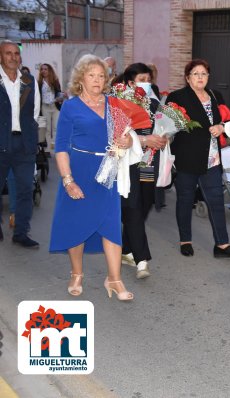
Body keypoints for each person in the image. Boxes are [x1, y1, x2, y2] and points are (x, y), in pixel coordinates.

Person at [49, 54, 134, 301]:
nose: (97, 80)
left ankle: (114, 279)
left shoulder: (114, 104)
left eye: (101, 76)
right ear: (81, 78)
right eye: (91, 75)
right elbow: (61, 147)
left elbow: (125, 138)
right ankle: (76, 274)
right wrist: (68, 180)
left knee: (111, 225)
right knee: (77, 224)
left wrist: (126, 141)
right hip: (80, 170)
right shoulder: (70, 106)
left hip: (108, 170)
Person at [166, 58, 230, 258]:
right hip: (187, 157)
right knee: (185, 199)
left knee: (216, 201)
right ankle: (185, 240)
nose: (200, 77)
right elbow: (166, 126)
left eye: (204, 74)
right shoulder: (177, 97)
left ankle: (222, 245)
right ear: (188, 78)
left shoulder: (216, 96)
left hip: (212, 159)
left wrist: (222, 127)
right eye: (196, 74)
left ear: (208, 77)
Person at [116, 63, 168, 279]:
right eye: (141, 80)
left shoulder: (155, 101)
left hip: (150, 162)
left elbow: (165, 127)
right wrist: (145, 139)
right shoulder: (119, 102)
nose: (146, 84)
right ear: (130, 82)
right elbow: (118, 134)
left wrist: (165, 137)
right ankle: (141, 260)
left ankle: (126, 249)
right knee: (133, 208)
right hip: (128, 163)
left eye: (149, 79)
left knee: (144, 205)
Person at [0, 40, 40, 248]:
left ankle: (21, 232)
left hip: (23, 144)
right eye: (8, 53)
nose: (13, 57)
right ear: (1, 56)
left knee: (25, 190)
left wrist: (31, 137)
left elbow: (34, 112)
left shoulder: (29, 81)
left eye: (16, 53)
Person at [37, 63, 64, 151]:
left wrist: (61, 97)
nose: (43, 71)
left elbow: (59, 93)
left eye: (45, 69)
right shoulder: (39, 82)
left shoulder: (55, 81)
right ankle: (48, 149)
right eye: (42, 69)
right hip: (45, 106)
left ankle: (54, 147)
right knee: (47, 128)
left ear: (49, 71)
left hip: (55, 106)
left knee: (56, 127)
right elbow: (38, 96)